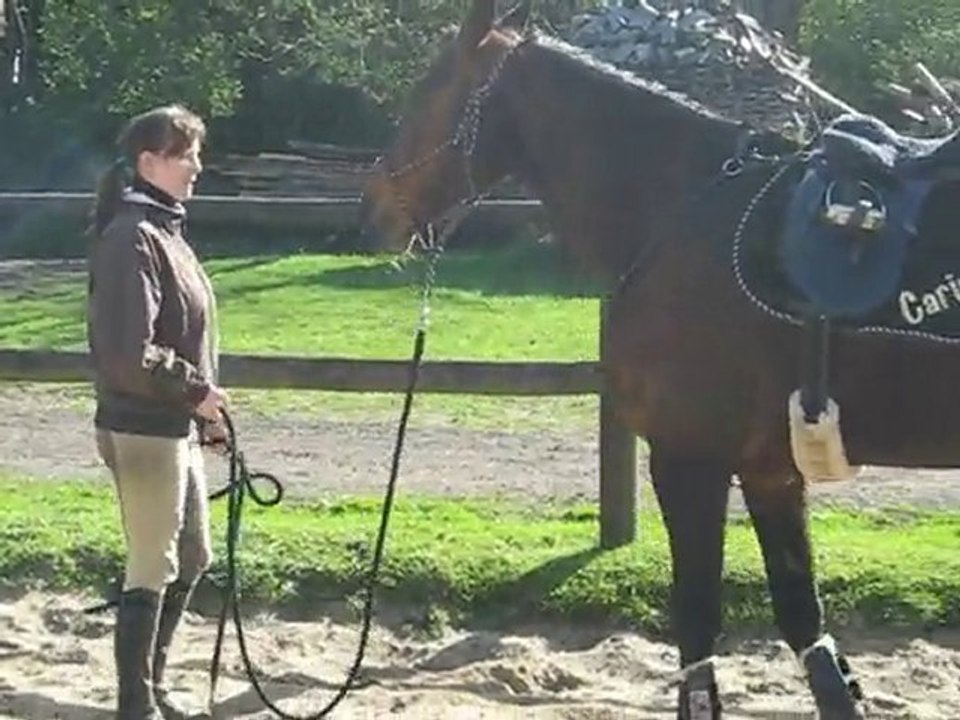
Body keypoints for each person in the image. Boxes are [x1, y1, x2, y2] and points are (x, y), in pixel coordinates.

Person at [86, 104, 227, 720]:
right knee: (152, 562)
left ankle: (154, 682)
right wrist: (196, 392)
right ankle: (134, 703)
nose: (198, 165)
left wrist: (205, 413)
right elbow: (127, 353)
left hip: (173, 424)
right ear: (150, 163)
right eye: (187, 154)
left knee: (193, 555)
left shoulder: (165, 231)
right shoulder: (131, 238)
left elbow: (182, 335)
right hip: (142, 427)